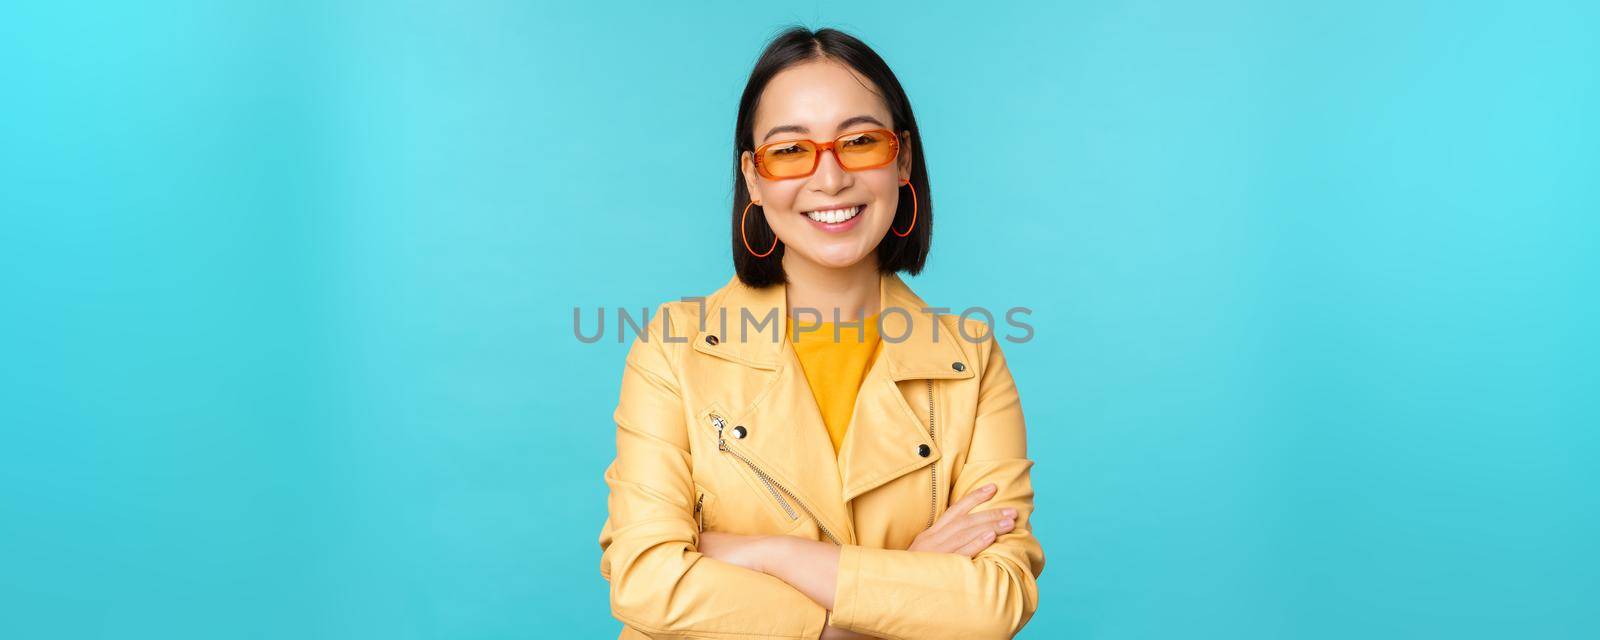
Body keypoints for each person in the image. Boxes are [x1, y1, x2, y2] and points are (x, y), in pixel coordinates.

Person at [598, 26, 1045, 639]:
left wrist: (767, 555)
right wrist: (892, 592)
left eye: (860, 141)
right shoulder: (673, 347)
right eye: (789, 151)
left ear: (903, 159)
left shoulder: (970, 359)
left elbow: (996, 602)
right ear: (753, 179)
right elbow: (647, 580)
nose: (830, 179)